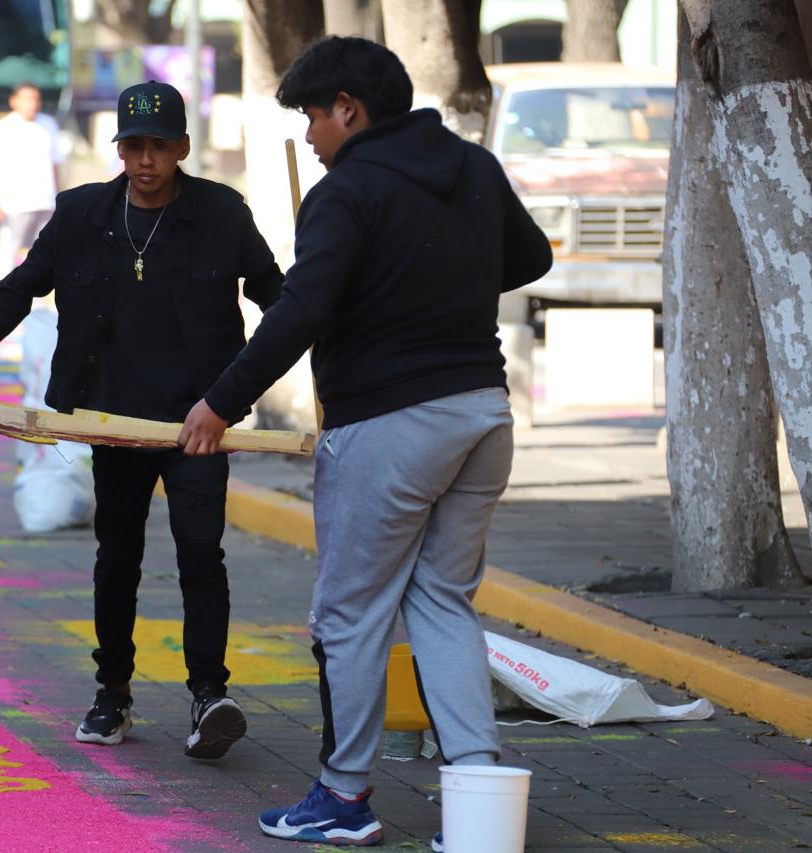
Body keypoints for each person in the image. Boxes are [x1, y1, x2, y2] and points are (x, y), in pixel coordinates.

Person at [177, 37, 553, 848]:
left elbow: (302, 310)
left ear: (349, 108)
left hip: (390, 422)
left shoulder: (347, 190)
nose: (310, 137)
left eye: (314, 117)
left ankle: (344, 795)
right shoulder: (474, 166)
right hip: (483, 413)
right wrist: (439, 285)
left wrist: (220, 403)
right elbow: (532, 256)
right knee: (442, 597)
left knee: (348, 614)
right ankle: (478, 788)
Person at [0, 80, 284, 759]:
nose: (146, 160)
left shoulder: (222, 215)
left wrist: (322, 334)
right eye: (133, 147)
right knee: (117, 557)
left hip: (199, 423)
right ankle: (112, 693)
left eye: (159, 146)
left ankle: (210, 694)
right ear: (117, 149)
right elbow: (19, 288)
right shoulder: (82, 214)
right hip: (113, 420)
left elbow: (279, 297)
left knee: (201, 556)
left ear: (182, 148)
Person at [0, 82, 64, 277]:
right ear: (14, 101)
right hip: (15, 202)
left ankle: (39, 295)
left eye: (35, 99)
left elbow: (55, 164)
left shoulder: (48, 124)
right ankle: (5, 294)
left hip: (45, 200)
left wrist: (59, 197)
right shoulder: (3, 128)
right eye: (26, 99)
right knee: (10, 251)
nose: (31, 104)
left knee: (46, 251)